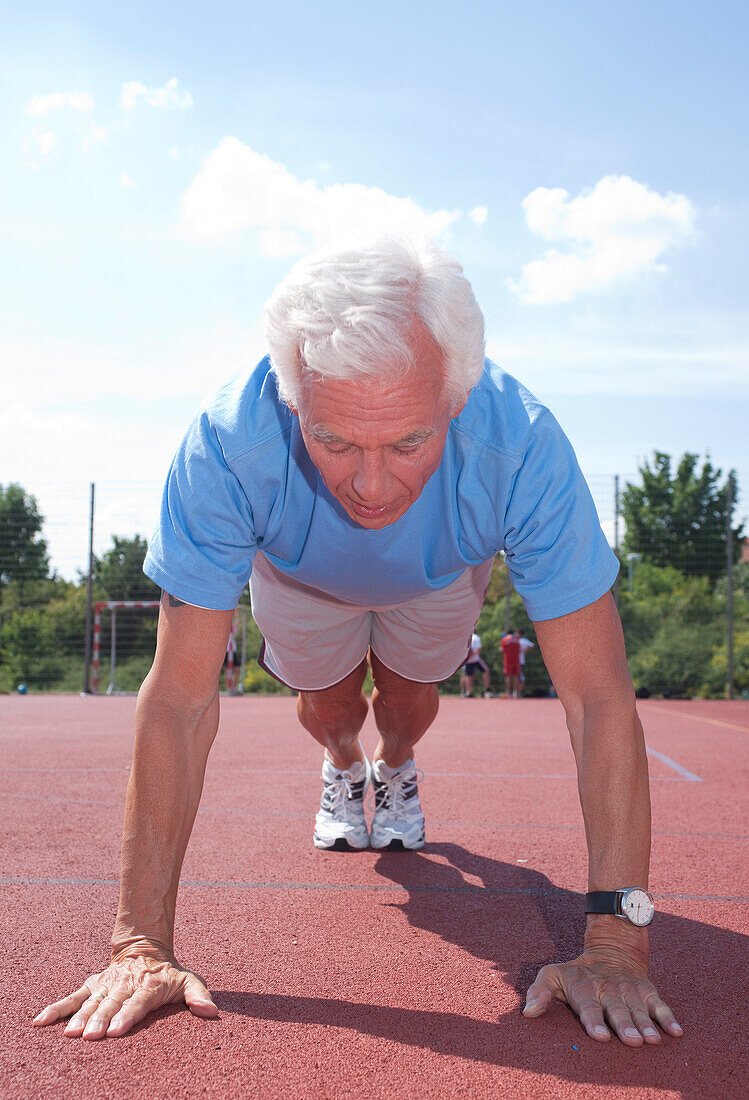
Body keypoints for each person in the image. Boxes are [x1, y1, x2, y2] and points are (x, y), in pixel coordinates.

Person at [33, 236, 682, 1048]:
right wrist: (140, 947)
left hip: (438, 574)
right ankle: (345, 766)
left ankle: (396, 766)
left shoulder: (520, 448)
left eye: (407, 443)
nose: (371, 488)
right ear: (293, 398)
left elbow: (596, 700)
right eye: (334, 441)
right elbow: (179, 698)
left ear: (455, 399)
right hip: (301, 574)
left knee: (408, 700)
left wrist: (617, 942)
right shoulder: (228, 445)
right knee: (330, 707)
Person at [460, 631, 493, 698]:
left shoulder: (465, 637)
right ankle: (486, 689)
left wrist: (469, 655)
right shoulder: (476, 637)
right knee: (486, 671)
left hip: (467, 660)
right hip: (475, 659)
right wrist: (473, 654)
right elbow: (478, 649)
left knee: (468, 676)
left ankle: (468, 692)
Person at [501, 629, 521, 697]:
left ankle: (508, 692)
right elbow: (519, 648)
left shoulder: (504, 639)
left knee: (508, 676)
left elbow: (502, 649)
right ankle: (515, 692)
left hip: (507, 661)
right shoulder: (516, 639)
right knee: (516, 676)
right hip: (516, 660)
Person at [517, 628, 535, 693]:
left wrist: (524, 650)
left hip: (520, 661)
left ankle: (520, 691)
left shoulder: (523, 640)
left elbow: (532, 645)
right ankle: (517, 691)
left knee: (520, 676)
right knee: (517, 676)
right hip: (514, 661)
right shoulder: (516, 640)